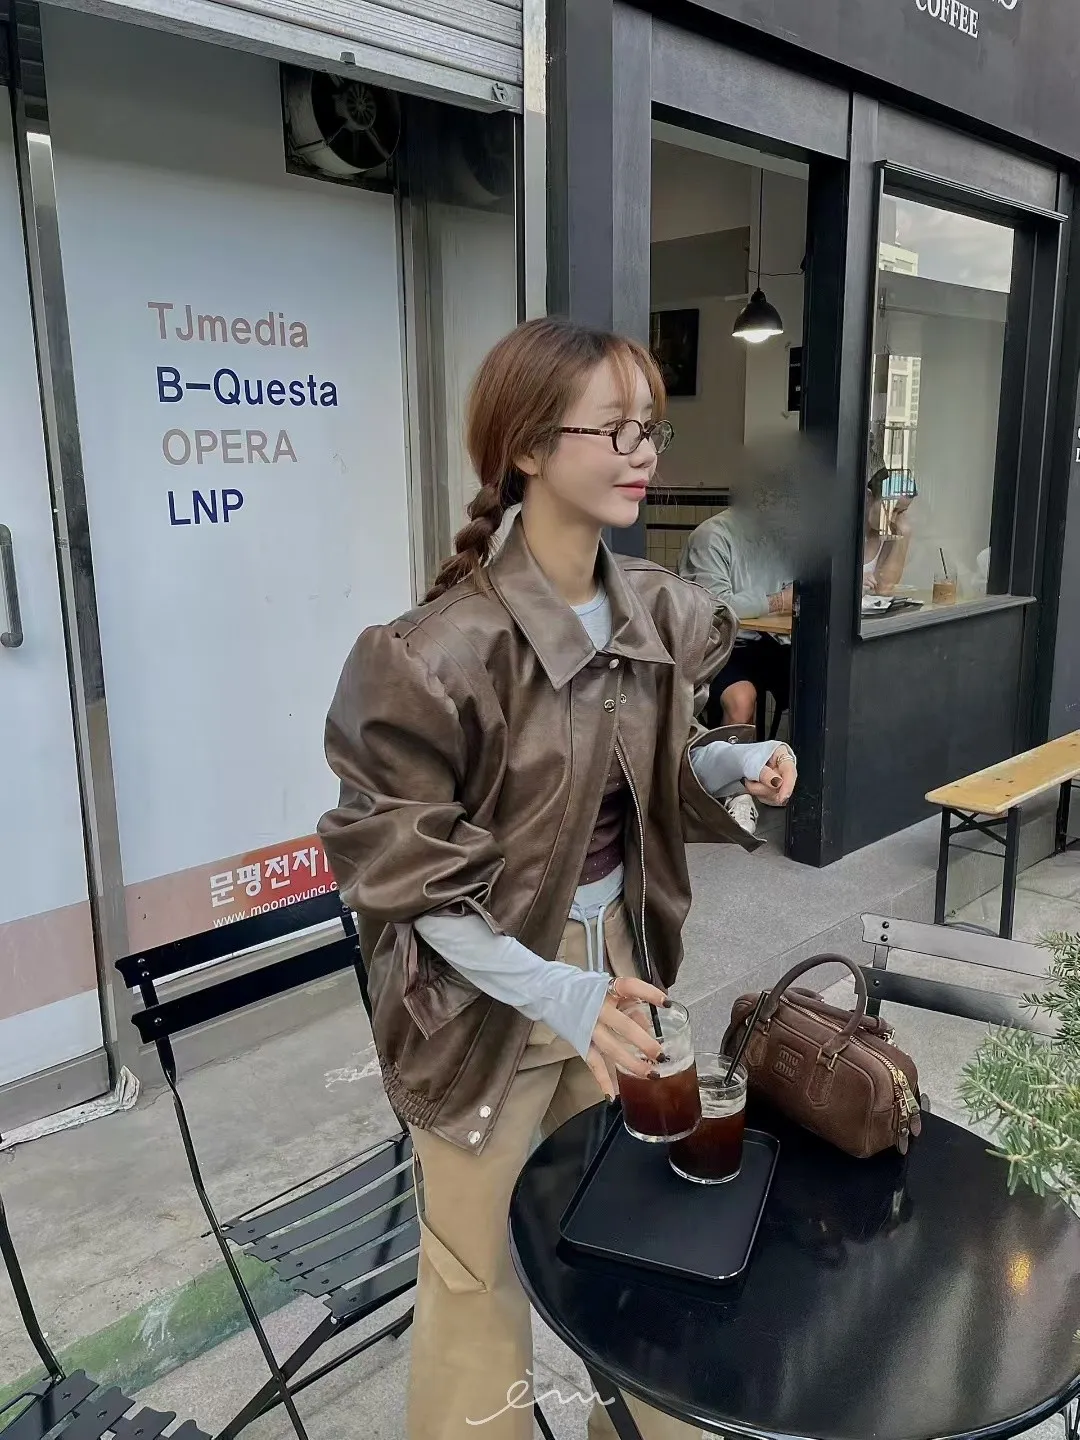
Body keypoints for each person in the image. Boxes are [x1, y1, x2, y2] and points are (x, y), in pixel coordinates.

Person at [317, 317, 797, 1440]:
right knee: (477, 1288)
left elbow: (649, 768)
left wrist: (733, 763)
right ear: (529, 447)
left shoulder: (658, 610)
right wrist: (561, 995)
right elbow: (410, 879)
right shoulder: (433, 655)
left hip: (621, 986)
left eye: (651, 429)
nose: (645, 453)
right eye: (614, 429)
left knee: (642, 1240)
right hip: (479, 1015)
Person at [677, 504, 792, 834]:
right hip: (718, 643)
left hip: (771, 640)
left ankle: (792, 778)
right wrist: (779, 601)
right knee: (741, 699)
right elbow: (717, 606)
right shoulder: (713, 536)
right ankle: (733, 792)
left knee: (816, 682)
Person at [863, 466, 915, 594]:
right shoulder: (846, 528)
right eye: (891, 509)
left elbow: (884, 588)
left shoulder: (887, 534)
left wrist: (904, 536)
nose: (893, 519)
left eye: (901, 512)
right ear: (869, 497)